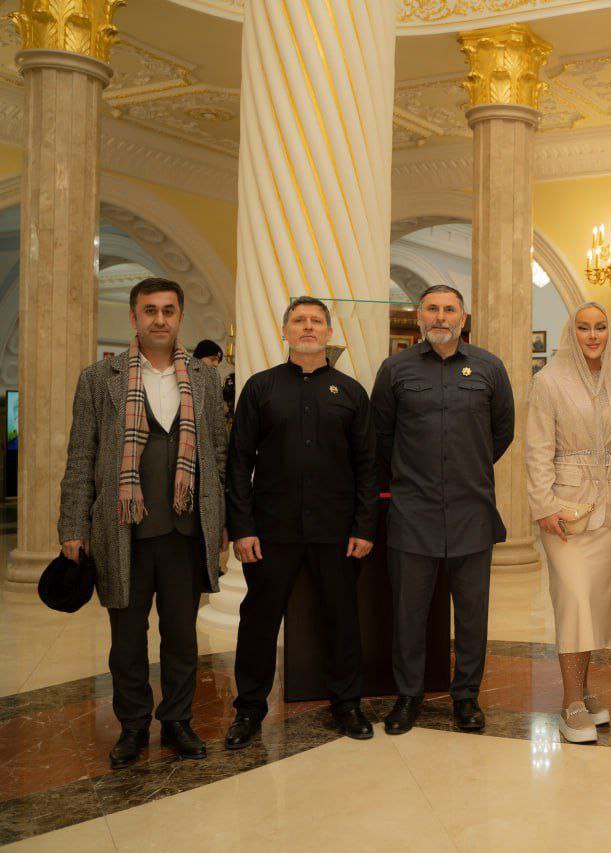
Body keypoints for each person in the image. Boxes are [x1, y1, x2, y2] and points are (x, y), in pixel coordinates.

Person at [57, 277, 227, 769]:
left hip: (185, 531)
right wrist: (73, 526)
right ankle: (133, 726)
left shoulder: (204, 378)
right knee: (127, 640)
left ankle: (177, 720)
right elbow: (81, 455)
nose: (159, 319)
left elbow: (218, 454)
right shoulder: (99, 378)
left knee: (182, 637)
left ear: (180, 317)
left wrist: (221, 520)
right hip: (122, 530)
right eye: (149, 310)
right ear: (134, 317)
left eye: (168, 310)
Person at [223, 296, 378, 748]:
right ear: (285, 330)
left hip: (337, 530)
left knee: (342, 618)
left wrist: (364, 527)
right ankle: (249, 709)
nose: (307, 327)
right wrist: (242, 527)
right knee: (258, 619)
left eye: (316, 321)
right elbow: (238, 462)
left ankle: (347, 704)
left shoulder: (351, 392)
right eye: (299, 320)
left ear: (328, 333)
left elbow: (368, 466)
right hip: (272, 530)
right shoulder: (260, 388)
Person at [372, 284, 515, 735]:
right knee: (409, 613)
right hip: (413, 513)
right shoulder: (395, 370)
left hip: (472, 511)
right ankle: (408, 695)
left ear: (462, 317)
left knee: (472, 613)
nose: (440, 317)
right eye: (432, 309)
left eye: (449, 309)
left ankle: (467, 696)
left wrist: (468, 468)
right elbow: (381, 436)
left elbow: (502, 431)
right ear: (419, 317)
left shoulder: (489, 367)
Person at [525, 302, 611, 744]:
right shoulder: (548, 382)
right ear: (572, 333)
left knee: (593, 604)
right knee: (573, 601)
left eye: (601, 327)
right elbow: (537, 450)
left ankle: (584, 689)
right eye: (584, 328)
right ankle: (571, 702)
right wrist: (544, 505)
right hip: (565, 511)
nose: (593, 335)